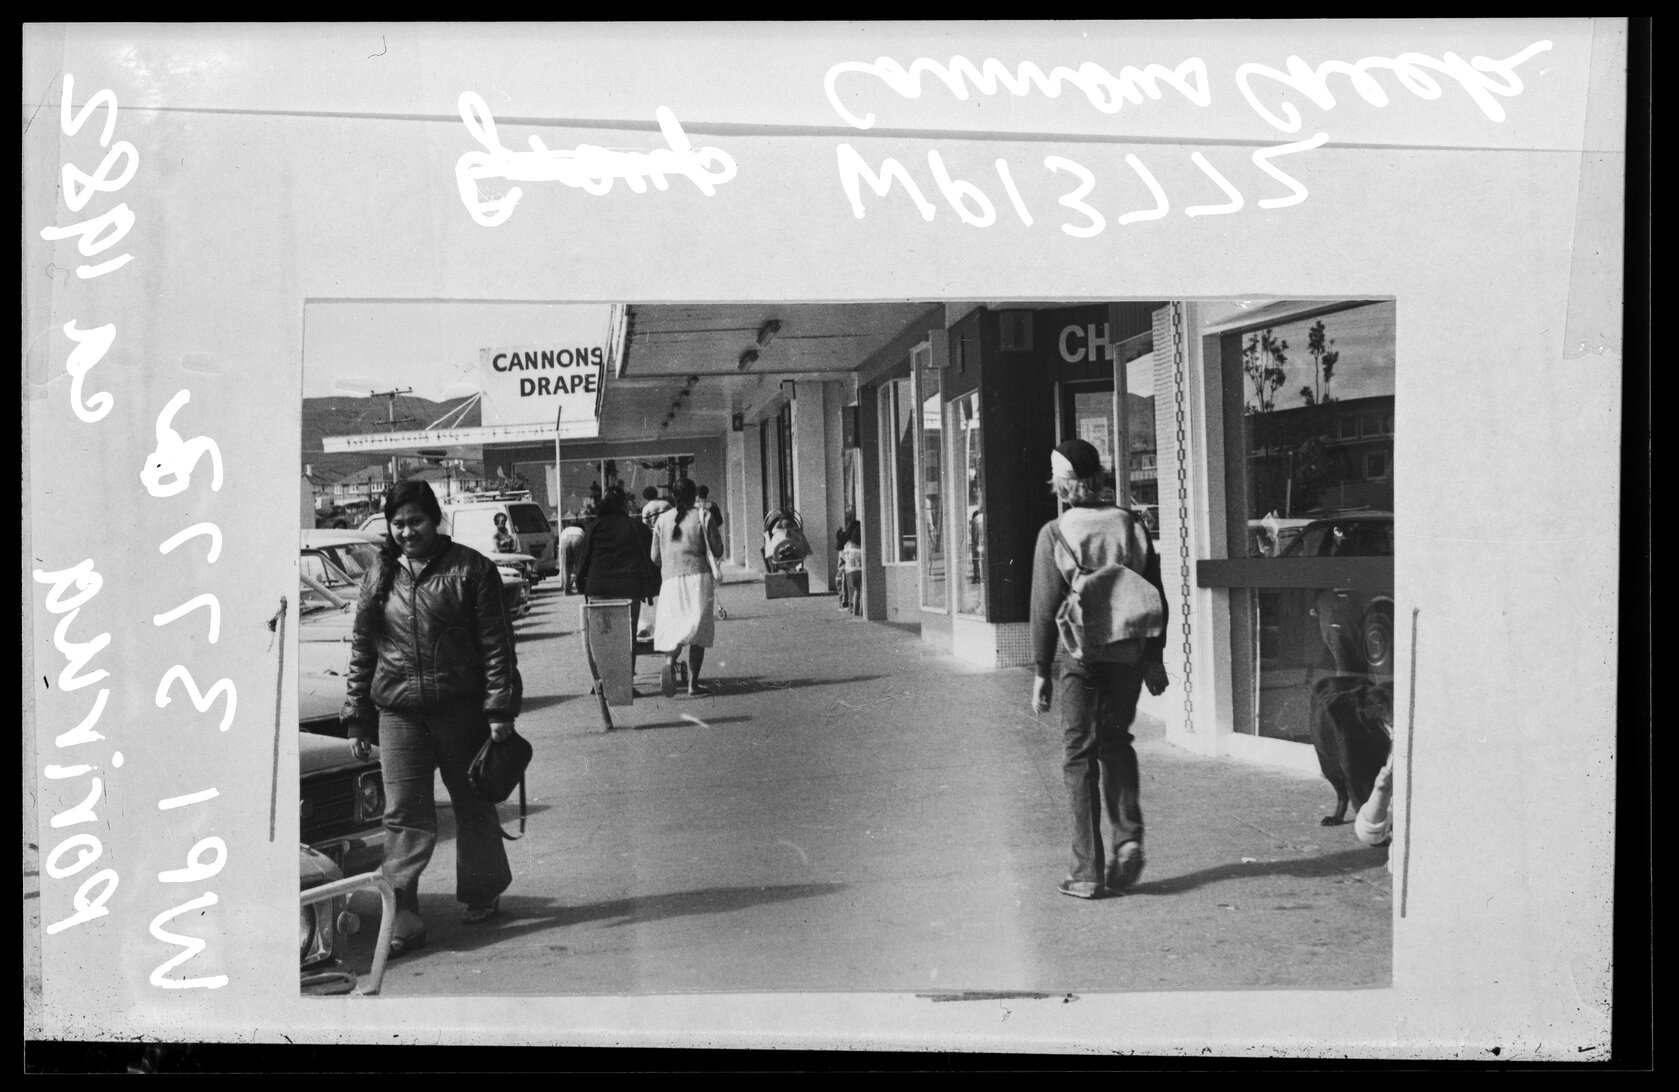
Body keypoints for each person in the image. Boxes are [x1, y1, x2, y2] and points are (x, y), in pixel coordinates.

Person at [340, 480, 520, 956]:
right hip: (398, 714)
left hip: (460, 711)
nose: (406, 531)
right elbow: (363, 649)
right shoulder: (378, 574)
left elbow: (497, 645)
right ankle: (403, 914)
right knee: (403, 814)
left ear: (435, 518)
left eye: (415, 521)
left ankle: (482, 889)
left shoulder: (472, 569)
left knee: (472, 802)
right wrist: (357, 714)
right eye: (397, 523)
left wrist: (500, 709)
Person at [1029, 438, 1170, 900]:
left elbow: (1045, 606)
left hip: (1081, 655)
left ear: (1066, 486)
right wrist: (1155, 657)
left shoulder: (1056, 531)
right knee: (1116, 742)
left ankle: (1088, 872)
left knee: (1078, 757)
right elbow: (1155, 592)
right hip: (1129, 652)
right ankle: (1128, 837)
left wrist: (1041, 672)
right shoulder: (1132, 524)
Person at [651, 478, 725, 697]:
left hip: (671, 582)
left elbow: (655, 557)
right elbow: (718, 550)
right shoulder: (704, 516)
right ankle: (693, 685)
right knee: (698, 632)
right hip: (698, 580)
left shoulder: (662, 520)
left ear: (673, 497)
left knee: (676, 628)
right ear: (695, 496)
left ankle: (669, 661)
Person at [575, 487, 655, 673]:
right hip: (629, 589)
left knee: (602, 637)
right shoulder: (634, 526)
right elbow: (649, 555)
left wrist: (582, 586)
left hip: (598, 589)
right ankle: (626, 683)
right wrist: (649, 587)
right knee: (627, 638)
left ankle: (604, 680)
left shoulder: (594, 526)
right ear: (623, 504)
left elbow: (584, 558)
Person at [840, 523, 864, 617]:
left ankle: (855, 611)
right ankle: (862, 611)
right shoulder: (861, 547)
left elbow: (844, 557)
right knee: (863, 591)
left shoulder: (848, 546)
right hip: (860, 570)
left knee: (856, 591)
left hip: (850, 571)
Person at [557, 522, 585, 595]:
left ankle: (567, 590)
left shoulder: (565, 530)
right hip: (579, 538)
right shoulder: (581, 530)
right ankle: (580, 588)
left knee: (566, 566)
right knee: (578, 564)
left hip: (565, 538)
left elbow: (560, 549)